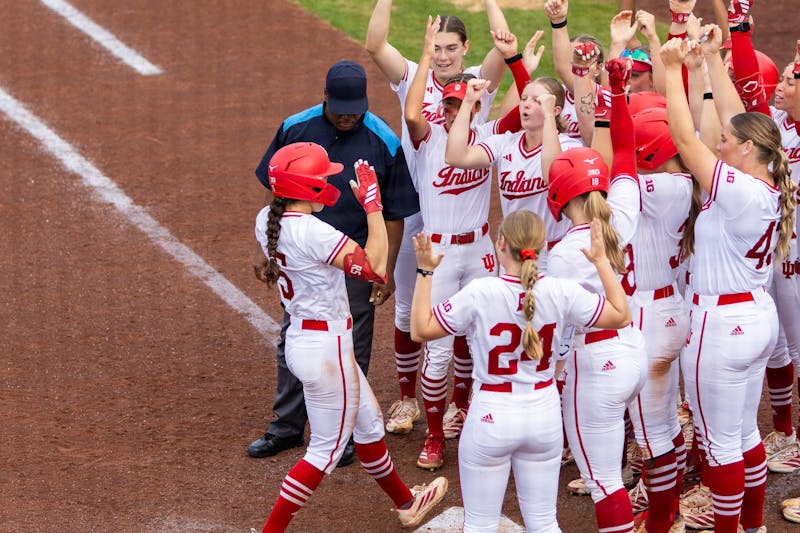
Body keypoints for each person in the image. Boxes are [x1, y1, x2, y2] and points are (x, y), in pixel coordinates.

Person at [254, 143, 446, 532]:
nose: (328, 182)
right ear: (306, 186)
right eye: (322, 177)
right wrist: (373, 207)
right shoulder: (314, 233)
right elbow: (376, 268)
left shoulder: (265, 220)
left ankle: (407, 503)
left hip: (308, 341)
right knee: (324, 450)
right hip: (326, 352)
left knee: (369, 425)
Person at [409, 211, 633, 533]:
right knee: (544, 524)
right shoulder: (561, 290)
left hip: (491, 415)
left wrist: (425, 271)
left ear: (501, 244)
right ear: (542, 248)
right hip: (543, 413)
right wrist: (600, 261)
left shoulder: (481, 292)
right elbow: (621, 316)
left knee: (480, 526)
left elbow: (420, 330)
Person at [247, 60, 419, 466]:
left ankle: (349, 434)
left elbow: (395, 213)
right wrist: (265, 248)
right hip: (304, 254)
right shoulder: (296, 128)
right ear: (324, 96)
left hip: (354, 255)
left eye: (354, 110)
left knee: (352, 346)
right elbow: (275, 188)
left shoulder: (383, 139)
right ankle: (287, 426)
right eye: (340, 109)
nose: (347, 117)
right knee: (295, 334)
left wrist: (386, 269)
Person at [660, 24, 796, 533]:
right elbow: (737, 119)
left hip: (721, 327)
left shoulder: (738, 190)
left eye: (725, 141)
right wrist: (714, 60)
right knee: (743, 436)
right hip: (755, 318)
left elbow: (682, 139)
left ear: (746, 149)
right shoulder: (764, 180)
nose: (718, 144)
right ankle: (752, 527)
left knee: (720, 445)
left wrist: (673, 71)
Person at [365, 0, 508, 438]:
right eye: (437, 47)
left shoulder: (477, 87)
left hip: (461, 218)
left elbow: (505, 48)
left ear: (465, 47)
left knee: (461, 316)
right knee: (409, 310)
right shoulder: (414, 74)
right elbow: (375, 45)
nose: (444, 56)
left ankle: (458, 406)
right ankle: (408, 397)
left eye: (451, 48)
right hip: (415, 212)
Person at [404, 17, 526, 471]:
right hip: (438, 252)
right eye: (450, 105)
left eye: (462, 105)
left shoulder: (489, 136)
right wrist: (424, 54)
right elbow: (412, 115)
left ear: (474, 106)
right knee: (437, 348)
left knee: (481, 337)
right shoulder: (429, 137)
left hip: (479, 249)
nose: (453, 112)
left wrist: (517, 61)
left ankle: (467, 412)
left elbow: (521, 109)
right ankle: (435, 435)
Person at [543, 59, 649, 533]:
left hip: (597, 364)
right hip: (635, 350)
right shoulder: (621, 213)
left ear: (558, 195)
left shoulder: (566, 253)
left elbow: (553, 330)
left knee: (603, 481)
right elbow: (624, 150)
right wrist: (617, 93)